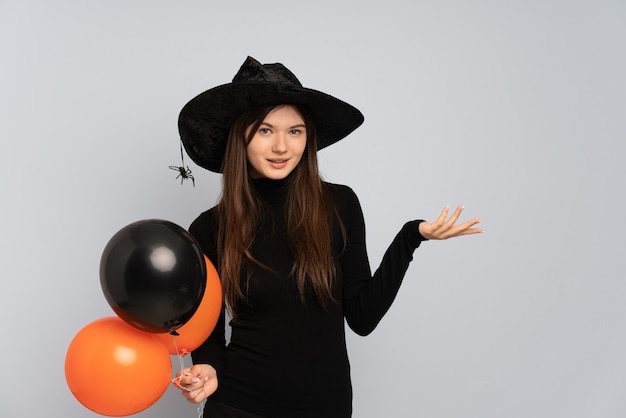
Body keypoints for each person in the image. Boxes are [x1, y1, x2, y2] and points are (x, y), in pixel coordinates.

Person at [174, 56, 482, 418]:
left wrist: (410, 237)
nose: (281, 147)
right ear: (240, 136)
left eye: (295, 131)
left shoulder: (340, 205)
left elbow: (362, 318)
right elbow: (206, 332)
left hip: (325, 406)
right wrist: (207, 371)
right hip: (239, 405)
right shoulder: (209, 228)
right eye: (265, 130)